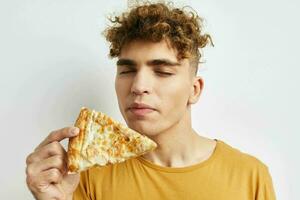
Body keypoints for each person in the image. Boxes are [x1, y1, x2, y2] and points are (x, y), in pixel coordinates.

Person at [25, 1, 276, 200]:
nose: (138, 86)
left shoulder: (249, 177)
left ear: (194, 89)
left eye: (163, 72)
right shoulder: (82, 178)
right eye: (127, 70)